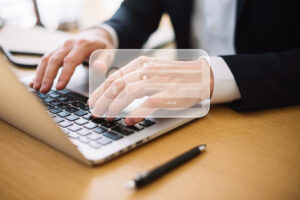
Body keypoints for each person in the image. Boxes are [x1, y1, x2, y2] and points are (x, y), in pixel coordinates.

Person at [30, 0, 300, 125]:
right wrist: (105, 33)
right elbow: (138, 10)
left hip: (273, 116)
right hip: (184, 113)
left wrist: (214, 75)